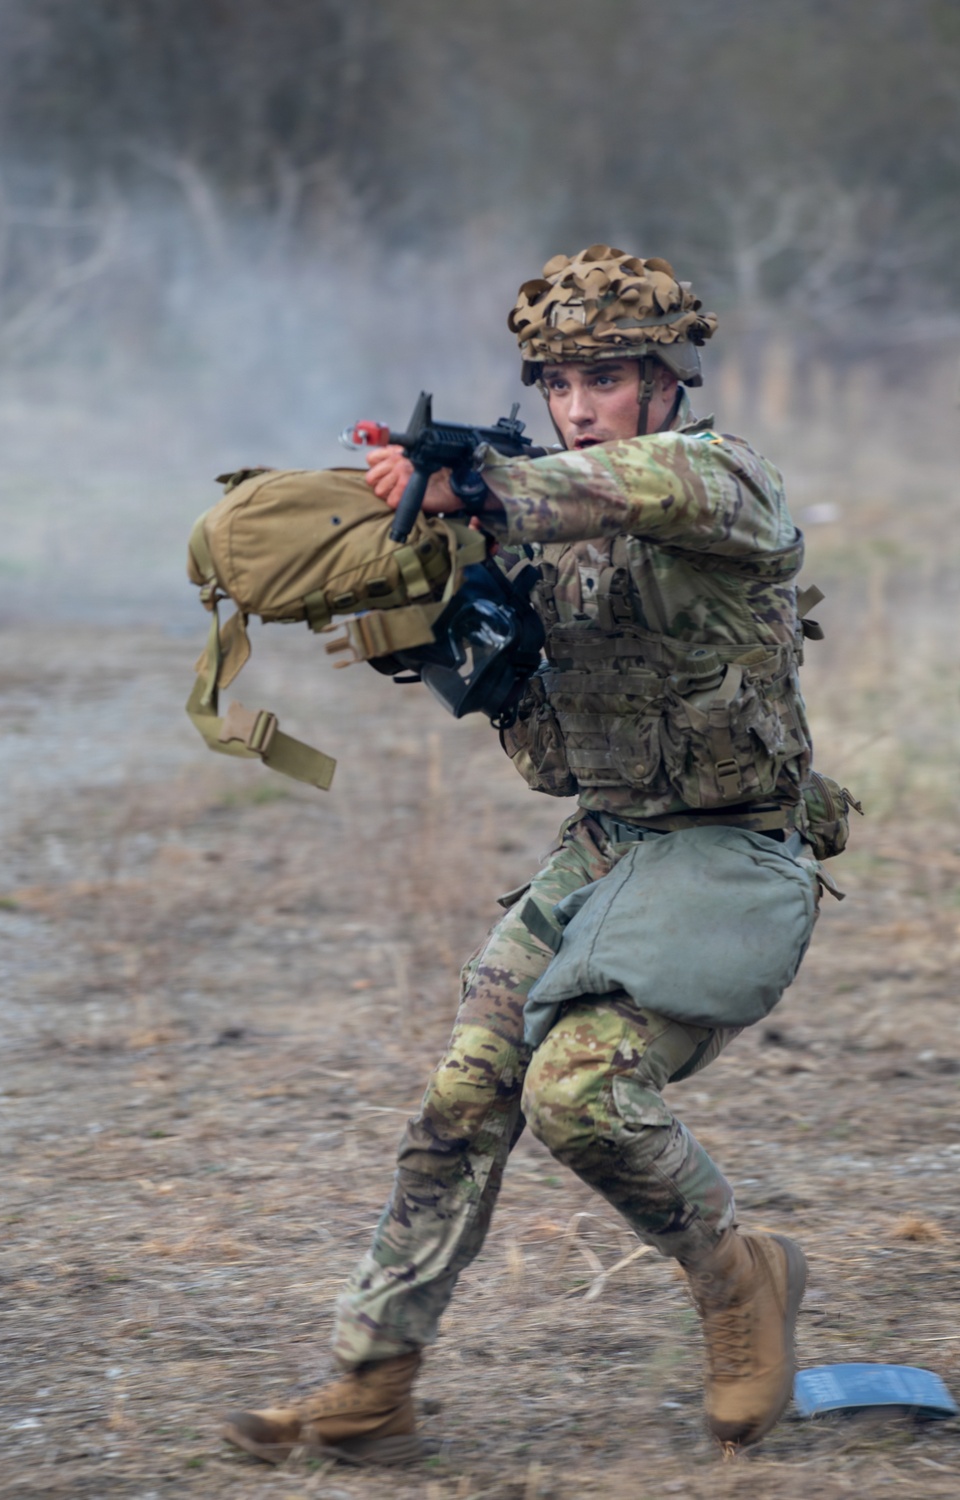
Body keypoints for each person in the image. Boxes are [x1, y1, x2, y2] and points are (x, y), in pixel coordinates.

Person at [223, 246, 824, 1466]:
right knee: (465, 1093)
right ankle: (373, 1380)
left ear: (667, 380)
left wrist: (477, 488)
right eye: (556, 382)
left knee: (578, 1094)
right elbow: (559, 761)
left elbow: (624, 489)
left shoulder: (723, 481)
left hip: (735, 857)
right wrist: (469, 649)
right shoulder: (548, 532)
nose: (579, 404)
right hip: (605, 849)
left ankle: (739, 1276)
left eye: (606, 377)